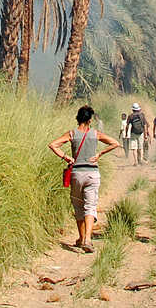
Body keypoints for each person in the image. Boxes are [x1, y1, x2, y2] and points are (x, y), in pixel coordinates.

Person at [49, 105, 119, 253]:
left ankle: (82, 238)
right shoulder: (95, 133)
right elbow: (115, 143)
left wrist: (66, 157)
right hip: (92, 173)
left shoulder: (72, 134)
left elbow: (53, 145)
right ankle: (87, 239)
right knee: (90, 206)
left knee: (78, 206)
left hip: (76, 174)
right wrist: (100, 154)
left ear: (78, 118)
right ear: (90, 119)